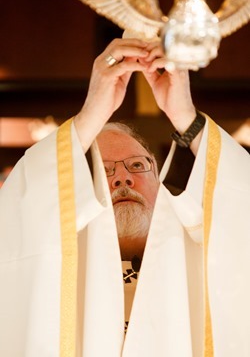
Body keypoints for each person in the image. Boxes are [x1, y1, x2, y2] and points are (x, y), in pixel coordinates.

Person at [0, 38, 249, 357]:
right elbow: (20, 212)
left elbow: (241, 203)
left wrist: (184, 114)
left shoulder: (200, 248)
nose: (122, 177)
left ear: (159, 180)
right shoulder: (56, 255)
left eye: (136, 165)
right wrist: (92, 112)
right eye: (104, 171)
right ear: (77, 189)